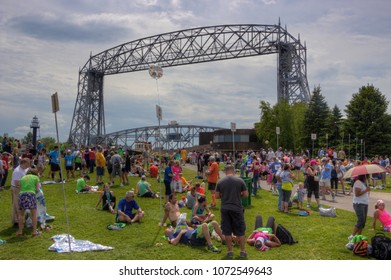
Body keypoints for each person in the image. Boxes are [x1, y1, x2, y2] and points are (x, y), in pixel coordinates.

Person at [215, 164, 248, 258]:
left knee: (227, 231)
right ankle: (242, 251)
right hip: (237, 208)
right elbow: (246, 194)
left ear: (225, 171)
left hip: (225, 208)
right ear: (234, 171)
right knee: (240, 231)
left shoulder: (220, 182)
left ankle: (230, 251)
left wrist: (224, 196)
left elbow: (217, 196)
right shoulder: (240, 180)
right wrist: (239, 195)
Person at [17, 168, 41, 237]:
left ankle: (20, 232)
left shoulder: (22, 178)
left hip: (21, 195)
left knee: (21, 214)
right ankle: (34, 232)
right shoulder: (36, 177)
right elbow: (37, 188)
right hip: (30, 194)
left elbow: (19, 188)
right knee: (33, 214)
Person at [348, 174, 370, 240]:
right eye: (367, 176)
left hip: (364, 203)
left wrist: (367, 190)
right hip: (359, 203)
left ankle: (358, 237)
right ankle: (352, 236)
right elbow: (357, 194)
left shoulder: (364, 183)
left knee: (363, 222)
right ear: (364, 176)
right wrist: (366, 190)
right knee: (361, 220)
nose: (367, 178)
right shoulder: (358, 182)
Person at [11, 158, 31, 226]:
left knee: (16, 205)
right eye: (27, 165)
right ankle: (17, 221)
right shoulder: (17, 171)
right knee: (18, 205)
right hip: (17, 188)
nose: (28, 166)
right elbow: (16, 183)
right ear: (23, 163)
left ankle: (16, 220)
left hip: (20, 188)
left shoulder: (23, 169)